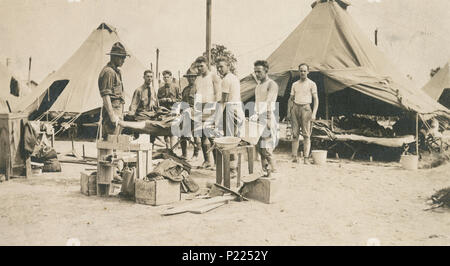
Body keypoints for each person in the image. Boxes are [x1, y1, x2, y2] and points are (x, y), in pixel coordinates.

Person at [216, 56, 244, 177]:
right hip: (237, 108)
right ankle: (234, 168)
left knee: (229, 139)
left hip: (231, 109)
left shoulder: (227, 79)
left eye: (221, 66)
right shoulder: (234, 78)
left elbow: (224, 100)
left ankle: (232, 170)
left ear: (228, 66)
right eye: (218, 67)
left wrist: (217, 116)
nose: (219, 69)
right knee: (234, 138)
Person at [250, 60, 279, 177]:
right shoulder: (258, 86)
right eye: (255, 72)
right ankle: (265, 170)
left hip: (267, 116)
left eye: (259, 71)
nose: (257, 74)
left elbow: (269, 101)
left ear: (266, 71)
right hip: (258, 117)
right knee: (260, 148)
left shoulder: (272, 84)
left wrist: (259, 114)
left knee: (267, 148)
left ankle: (274, 170)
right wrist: (255, 114)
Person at [194, 56, 222, 169]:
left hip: (211, 107)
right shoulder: (198, 79)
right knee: (202, 135)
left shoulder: (213, 76)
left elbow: (218, 94)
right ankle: (207, 161)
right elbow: (197, 94)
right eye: (198, 66)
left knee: (211, 136)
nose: (199, 68)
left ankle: (217, 163)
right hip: (200, 107)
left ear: (207, 65)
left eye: (202, 66)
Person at [288, 63, 319, 164]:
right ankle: (294, 157)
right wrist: (289, 111)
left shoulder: (312, 84)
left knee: (306, 135)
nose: (302, 72)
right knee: (295, 134)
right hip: (295, 108)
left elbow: (316, 99)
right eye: (301, 70)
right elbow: (291, 99)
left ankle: (306, 158)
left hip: (306, 109)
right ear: (298, 71)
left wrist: (314, 113)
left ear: (308, 72)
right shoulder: (295, 84)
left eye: (304, 71)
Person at [98, 42, 129, 140]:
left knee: (115, 141)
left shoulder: (116, 72)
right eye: (122, 57)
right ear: (114, 57)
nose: (123, 60)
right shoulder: (108, 72)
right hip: (112, 112)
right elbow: (105, 96)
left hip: (118, 110)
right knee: (110, 141)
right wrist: (112, 116)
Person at [180, 69, 201, 159]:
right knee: (183, 134)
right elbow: (182, 101)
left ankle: (196, 154)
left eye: (192, 77)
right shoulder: (185, 89)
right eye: (189, 77)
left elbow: (199, 102)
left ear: (195, 77)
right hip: (185, 113)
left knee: (195, 134)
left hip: (194, 113)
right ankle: (184, 154)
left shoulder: (198, 89)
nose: (190, 79)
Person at [158, 70, 181, 148]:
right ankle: (168, 149)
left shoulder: (176, 88)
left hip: (173, 112)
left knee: (173, 132)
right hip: (164, 113)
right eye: (164, 77)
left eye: (168, 77)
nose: (166, 79)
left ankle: (173, 150)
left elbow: (180, 100)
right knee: (165, 132)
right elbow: (158, 101)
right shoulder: (160, 89)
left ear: (171, 78)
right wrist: (162, 100)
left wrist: (172, 100)